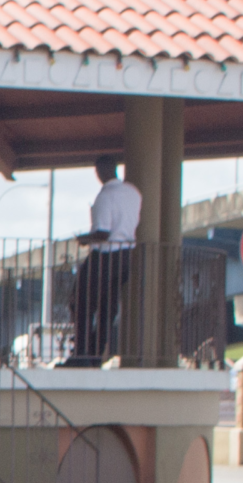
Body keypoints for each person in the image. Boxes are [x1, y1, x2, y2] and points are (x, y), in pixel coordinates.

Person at [68, 155, 140, 365]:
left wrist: (84, 239)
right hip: (127, 255)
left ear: (100, 171)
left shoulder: (106, 196)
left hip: (106, 255)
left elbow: (102, 233)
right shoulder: (133, 193)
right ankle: (97, 353)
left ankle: (81, 353)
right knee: (108, 308)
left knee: (81, 303)